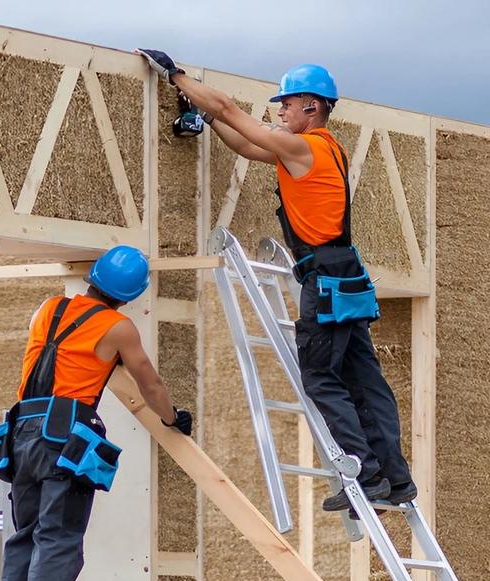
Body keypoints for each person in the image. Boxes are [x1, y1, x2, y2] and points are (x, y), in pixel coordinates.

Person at [139, 51, 416, 512]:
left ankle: (366, 476)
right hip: (344, 274)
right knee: (366, 382)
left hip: (324, 278)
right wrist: (206, 116)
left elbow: (231, 110)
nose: (280, 111)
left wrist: (176, 76)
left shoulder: (305, 147)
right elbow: (247, 146)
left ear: (311, 105)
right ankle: (395, 478)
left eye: (286, 104)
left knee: (321, 377)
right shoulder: (322, 149)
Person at [0, 246, 192, 581]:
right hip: (63, 439)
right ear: (131, 294)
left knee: (24, 537)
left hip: (21, 434)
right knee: (58, 540)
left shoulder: (48, 308)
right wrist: (172, 417)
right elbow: (149, 383)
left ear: (95, 277)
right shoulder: (118, 328)